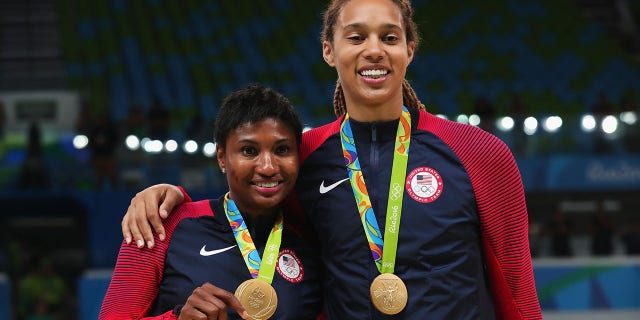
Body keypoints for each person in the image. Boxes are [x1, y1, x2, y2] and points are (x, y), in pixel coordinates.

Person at [121, 0, 542, 318]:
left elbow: (518, 286)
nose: (374, 50)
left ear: (409, 50)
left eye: (389, 37)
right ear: (329, 50)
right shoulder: (304, 156)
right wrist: (167, 196)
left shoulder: (480, 153)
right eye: (356, 37)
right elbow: (247, 198)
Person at [100, 84, 323, 319]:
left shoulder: (311, 239)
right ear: (221, 157)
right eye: (249, 150)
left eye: (282, 150)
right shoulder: (159, 225)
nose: (268, 167)